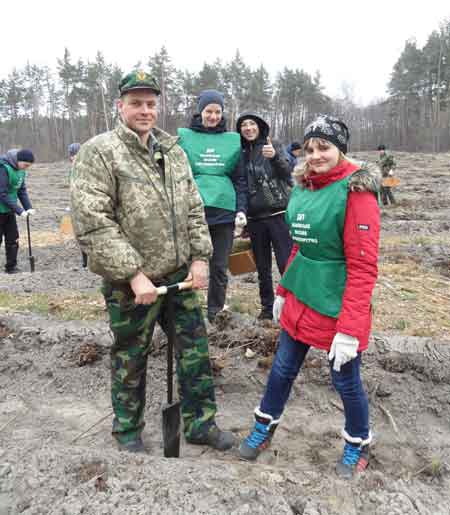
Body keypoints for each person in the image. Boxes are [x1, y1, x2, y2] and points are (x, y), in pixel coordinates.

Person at [70, 70, 235, 453]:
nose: (145, 111)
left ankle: (200, 424)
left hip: (180, 276)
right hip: (133, 284)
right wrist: (132, 274)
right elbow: (93, 223)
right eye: (136, 103)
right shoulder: (101, 152)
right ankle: (128, 431)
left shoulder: (173, 151)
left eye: (150, 103)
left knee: (195, 352)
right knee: (131, 355)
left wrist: (199, 258)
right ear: (120, 106)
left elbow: (194, 206)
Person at [239, 115, 380, 480]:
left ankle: (358, 443)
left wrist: (350, 328)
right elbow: (300, 246)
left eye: (325, 148)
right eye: (311, 148)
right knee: (283, 368)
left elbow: (363, 268)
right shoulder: (304, 186)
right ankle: (265, 426)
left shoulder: (356, 193)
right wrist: (285, 290)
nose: (316, 155)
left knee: (345, 381)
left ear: (341, 150)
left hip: (339, 304)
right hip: (303, 296)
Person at [177, 90, 247, 323]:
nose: (213, 116)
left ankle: (215, 312)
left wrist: (241, 209)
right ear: (200, 111)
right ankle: (185, 313)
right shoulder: (185, 138)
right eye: (209, 111)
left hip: (223, 214)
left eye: (217, 111)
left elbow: (240, 179)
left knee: (219, 267)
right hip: (192, 211)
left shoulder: (232, 141)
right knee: (185, 264)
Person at [236, 113, 293, 320]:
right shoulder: (240, 152)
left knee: (286, 263)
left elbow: (287, 173)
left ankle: (291, 306)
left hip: (278, 215)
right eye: (244, 125)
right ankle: (267, 308)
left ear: (260, 127)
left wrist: (275, 157)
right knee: (262, 267)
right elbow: (241, 185)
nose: (248, 128)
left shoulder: (273, 144)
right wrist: (241, 212)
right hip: (254, 220)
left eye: (252, 124)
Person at [0, 149, 35, 274]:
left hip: (9, 210)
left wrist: (28, 207)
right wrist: (19, 210)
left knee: (13, 239)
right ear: (18, 161)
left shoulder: (21, 171)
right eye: (25, 165)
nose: (26, 169)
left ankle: (11, 267)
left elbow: (21, 190)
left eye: (28, 167)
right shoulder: (4, 168)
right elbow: (2, 194)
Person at [67, 143, 87, 268]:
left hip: (88, 206)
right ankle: (85, 262)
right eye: (72, 155)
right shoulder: (72, 170)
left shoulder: (87, 168)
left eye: (76, 154)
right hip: (77, 207)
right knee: (81, 235)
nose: (73, 157)